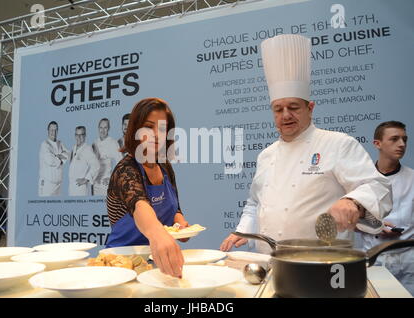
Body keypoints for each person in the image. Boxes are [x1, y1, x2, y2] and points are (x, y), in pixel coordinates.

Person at [220, 34, 392, 254]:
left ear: (310, 108)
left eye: (293, 107)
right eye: (278, 109)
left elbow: (379, 186)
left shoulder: (338, 144)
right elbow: (255, 203)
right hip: (271, 262)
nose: (286, 115)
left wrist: (354, 202)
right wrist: (242, 231)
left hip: (323, 262)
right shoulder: (266, 155)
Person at [105, 98, 189, 278]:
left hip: (156, 262)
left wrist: (181, 224)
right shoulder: (126, 170)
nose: (156, 135)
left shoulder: (165, 166)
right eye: (148, 127)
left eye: (161, 128)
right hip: (121, 265)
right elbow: (140, 206)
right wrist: (158, 234)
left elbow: (175, 208)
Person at [356, 121, 413, 295]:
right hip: (374, 258)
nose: (402, 144)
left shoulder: (413, 178)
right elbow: (350, 218)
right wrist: (375, 227)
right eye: (394, 139)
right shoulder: (360, 180)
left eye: (404, 139)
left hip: (408, 260)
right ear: (377, 143)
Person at [92, 118, 123, 196]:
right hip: (95, 184)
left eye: (105, 127)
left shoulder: (113, 143)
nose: (103, 130)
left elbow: (121, 163)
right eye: (101, 127)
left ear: (108, 128)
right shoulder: (95, 143)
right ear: (98, 128)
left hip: (106, 185)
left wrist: (111, 179)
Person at [38, 121, 69, 196]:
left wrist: (56, 156)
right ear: (48, 130)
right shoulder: (45, 144)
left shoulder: (60, 143)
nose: (54, 132)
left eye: (56, 130)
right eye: (52, 130)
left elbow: (68, 154)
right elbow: (50, 161)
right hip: (47, 184)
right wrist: (60, 158)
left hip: (58, 183)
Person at [68, 126, 100, 196]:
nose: (78, 137)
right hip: (71, 188)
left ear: (85, 135)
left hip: (80, 189)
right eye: (77, 135)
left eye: (81, 135)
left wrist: (86, 179)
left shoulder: (87, 149)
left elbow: (96, 165)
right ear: (75, 136)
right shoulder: (74, 148)